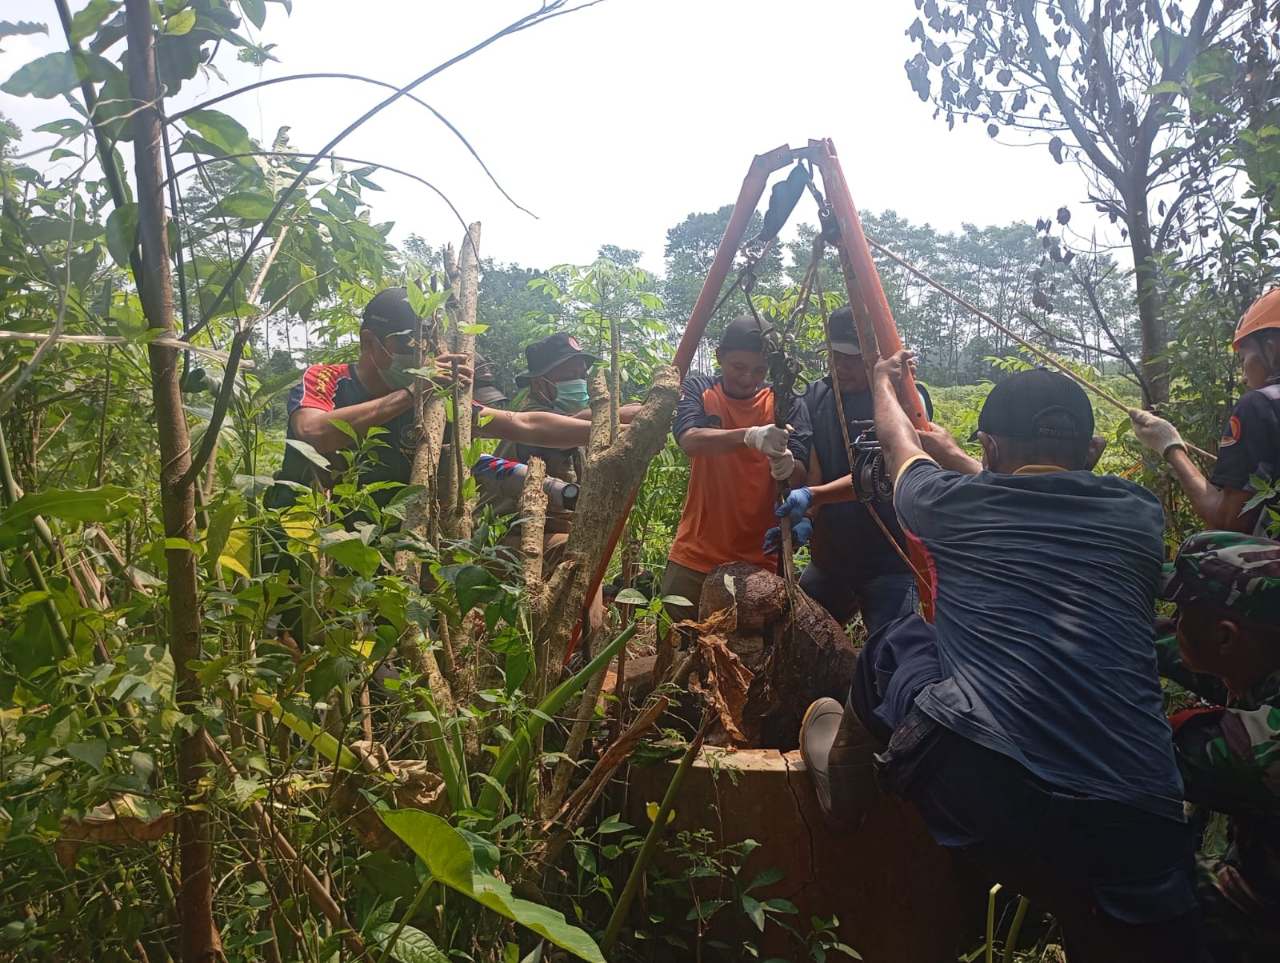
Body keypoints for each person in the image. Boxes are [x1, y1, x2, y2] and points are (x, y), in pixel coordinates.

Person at [801, 355, 1205, 962]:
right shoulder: (1138, 516)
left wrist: (885, 383)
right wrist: (971, 461)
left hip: (992, 796)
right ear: (1093, 452)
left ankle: (845, 789)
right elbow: (1027, 493)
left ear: (987, 447)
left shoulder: (948, 504)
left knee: (899, 641)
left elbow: (895, 442)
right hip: (1138, 823)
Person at [266, 288, 602, 511]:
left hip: (380, 560)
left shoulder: (433, 403)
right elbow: (313, 433)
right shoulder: (328, 379)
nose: (420, 358)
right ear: (370, 343)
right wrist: (411, 395)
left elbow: (524, 423)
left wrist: (611, 425)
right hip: (301, 549)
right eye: (409, 347)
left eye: (425, 347)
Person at [766, 306, 930, 634]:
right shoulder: (814, 396)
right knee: (799, 643)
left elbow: (884, 469)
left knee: (894, 657)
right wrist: (807, 518)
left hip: (892, 561)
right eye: (835, 355)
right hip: (831, 559)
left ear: (875, 356)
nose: (841, 366)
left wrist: (813, 496)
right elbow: (812, 466)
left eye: (852, 358)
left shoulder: (902, 398)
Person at [1156, 530, 1280, 962]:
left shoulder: (1259, 749)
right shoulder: (1263, 648)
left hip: (1266, 915)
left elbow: (1126, 747)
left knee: (1130, 876)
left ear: (1226, 636)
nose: (1175, 620)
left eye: (1183, 611)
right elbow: (1181, 648)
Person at [658, 316, 810, 622]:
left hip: (762, 559)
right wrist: (749, 436)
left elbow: (801, 472)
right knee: (678, 639)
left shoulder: (785, 402)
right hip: (695, 553)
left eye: (758, 370)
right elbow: (690, 440)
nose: (747, 378)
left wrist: (788, 465)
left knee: (753, 656)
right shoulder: (700, 390)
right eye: (738, 367)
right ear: (719, 357)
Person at [1130, 288, 1280, 534]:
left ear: (1271, 349)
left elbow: (1230, 521)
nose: (1243, 377)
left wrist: (1170, 446)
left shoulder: (1260, 405)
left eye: (1244, 359)